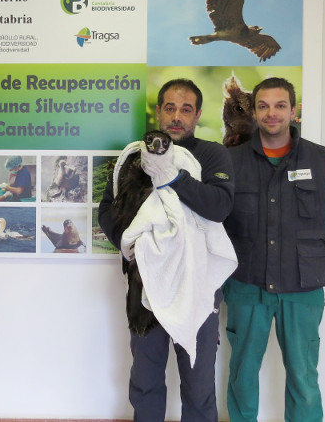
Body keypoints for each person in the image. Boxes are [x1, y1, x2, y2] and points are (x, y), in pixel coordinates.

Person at [99, 79, 235, 422]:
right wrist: (129, 247)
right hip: (144, 285)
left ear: (198, 115)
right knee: (144, 379)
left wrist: (172, 176)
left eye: (186, 109)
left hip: (196, 286)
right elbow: (107, 208)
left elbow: (218, 207)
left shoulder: (211, 155)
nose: (177, 116)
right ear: (158, 111)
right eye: (170, 108)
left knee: (199, 382)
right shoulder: (133, 156)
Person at [222, 77, 325, 422]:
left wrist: (297, 249)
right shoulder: (232, 161)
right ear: (255, 112)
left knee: (304, 377)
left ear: (293, 110)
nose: (271, 113)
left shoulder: (320, 160)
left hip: (302, 287)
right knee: (243, 374)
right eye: (263, 106)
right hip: (246, 284)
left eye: (279, 105)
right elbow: (221, 223)